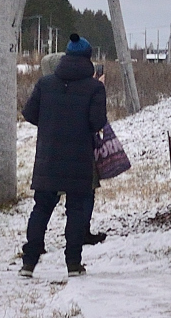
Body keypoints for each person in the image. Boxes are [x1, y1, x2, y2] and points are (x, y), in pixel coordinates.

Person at [19, 35, 107, 277]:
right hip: (79, 159)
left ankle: (29, 263)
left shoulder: (45, 84)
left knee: (41, 208)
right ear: (88, 59)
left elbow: (29, 113)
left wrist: (51, 124)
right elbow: (96, 122)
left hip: (48, 157)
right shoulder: (95, 88)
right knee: (77, 210)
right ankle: (73, 264)